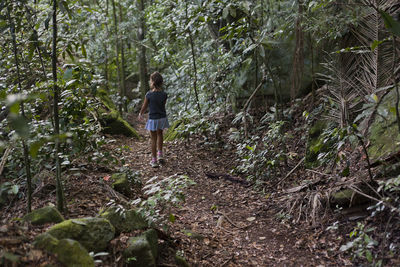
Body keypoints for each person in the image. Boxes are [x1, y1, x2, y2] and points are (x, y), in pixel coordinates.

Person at [138, 72, 169, 168]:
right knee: (160, 134)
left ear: (152, 82)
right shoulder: (164, 94)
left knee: (153, 139)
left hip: (153, 119)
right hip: (162, 118)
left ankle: (154, 160)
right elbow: (162, 105)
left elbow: (144, 106)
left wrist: (141, 113)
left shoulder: (149, 94)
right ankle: (160, 154)